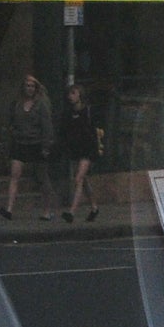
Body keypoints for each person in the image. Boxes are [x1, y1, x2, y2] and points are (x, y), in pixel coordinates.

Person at [2, 73, 55, 220]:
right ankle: (9, 209)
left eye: (32, 86)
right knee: (15, 175)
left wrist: (46, 146)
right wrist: (12, 131)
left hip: (36, 143)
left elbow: (47, 126)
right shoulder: (18, 103)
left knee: (42, 177)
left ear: (36, 88)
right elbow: (11, 120)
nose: (30, 88)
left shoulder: (41, 104)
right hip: (20, 143)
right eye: (27, 86)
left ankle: (46, 210)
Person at [57, 81, 103, 224]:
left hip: (88, 150)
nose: (70, 96)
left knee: (78, 179)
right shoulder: (69, 113)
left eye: (74, 93)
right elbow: (66, 131)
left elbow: (94, 130)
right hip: (76, 149)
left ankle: (72, 212)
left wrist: (97, 148)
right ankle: (94, 207)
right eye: (69, 94)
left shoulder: (87, 111)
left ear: (80, 95)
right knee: (83, 180)